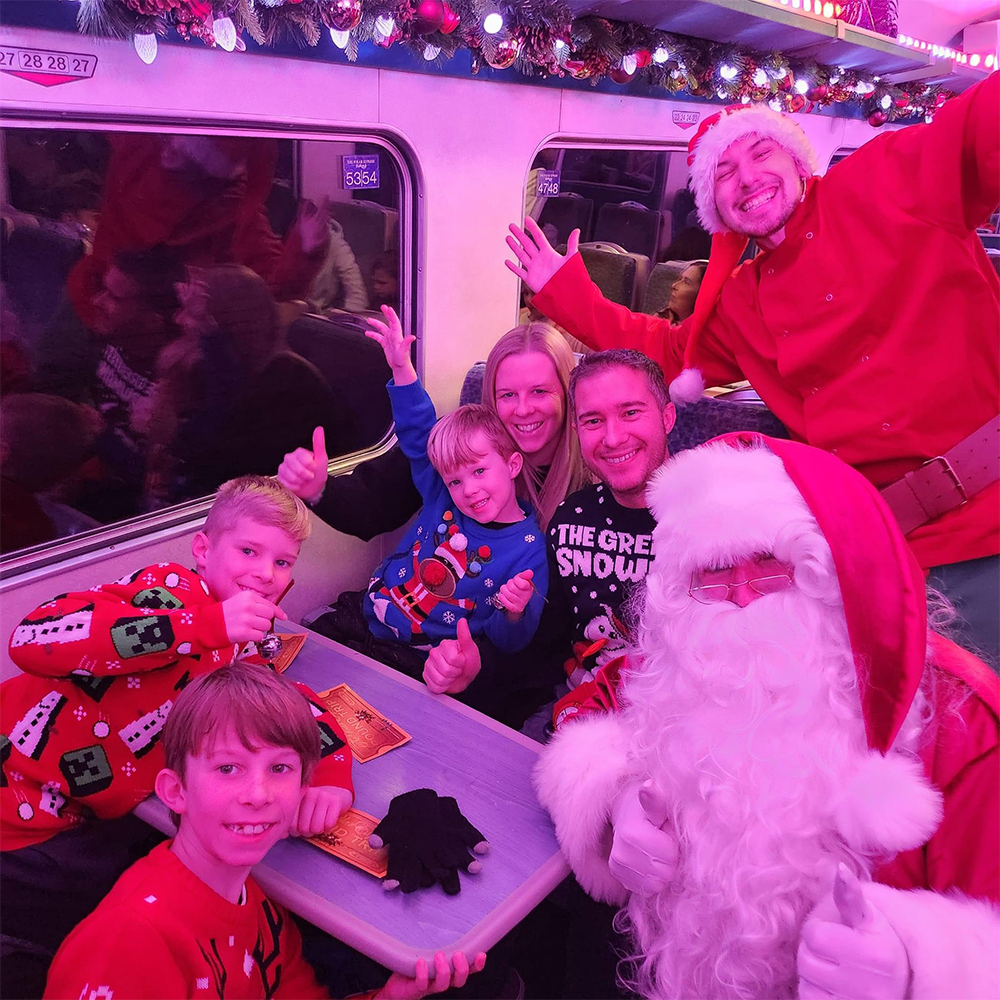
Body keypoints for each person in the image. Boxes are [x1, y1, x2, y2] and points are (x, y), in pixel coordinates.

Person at [506, 73, 1000, 664]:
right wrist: (565, 291)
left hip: (989, 522)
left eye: (760, 153)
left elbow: (978, 130)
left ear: (797, 160)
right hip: (876, 551)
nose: (747, 179)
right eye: (723, 174)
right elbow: (667, 352)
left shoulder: (886, 177)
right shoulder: (743, 299)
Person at [534, 434, 999, 1000]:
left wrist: (922, 966)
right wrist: (611, 804)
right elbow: (583, 716)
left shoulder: (962, 725)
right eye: (714, 572)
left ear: (831, 571)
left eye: (772, 566)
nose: (742, 596)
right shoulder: (675, 666)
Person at [0, 475, 352, 998]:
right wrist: (204, 624)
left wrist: (330, 777)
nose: (265, 573)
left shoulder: (241, 651)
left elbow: (293, 705)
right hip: (17, 810)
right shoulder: (168, 592)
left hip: (79, 816)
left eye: (282, 563)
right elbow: (31, 637)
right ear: (204, 550)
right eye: (249, 550)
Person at [43, 664, 486, 1000]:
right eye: (228, 767)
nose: (257, 794)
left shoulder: (260, 911)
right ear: (175, 791)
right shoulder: (128, 944)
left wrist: (388, 997)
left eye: (278, 768)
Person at [422, 349, 675, 718]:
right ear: (576, 429)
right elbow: (544, 647)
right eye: (592, 421)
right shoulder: (573, 518)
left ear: (667, 416)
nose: (613, 437)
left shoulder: (715, 522)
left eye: (631, 413)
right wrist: (476, 669)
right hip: (576, 709)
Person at [304, 307, 548, 683]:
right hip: (366, 613)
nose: (468, 490)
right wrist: (402, 370)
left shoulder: (530, 547)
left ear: (513, 465)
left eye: (480, 472)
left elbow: (508, 642)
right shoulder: (442, 497)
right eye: (456, 481)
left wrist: (515, 611)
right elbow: (419, 437)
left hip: (419, 656)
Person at [278, 321, 588, 541]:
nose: (522, 409)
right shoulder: (463, 452)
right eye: (507, 394)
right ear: (491, 397)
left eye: (539, 392)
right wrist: (318, 490)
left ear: (567, 393)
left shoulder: (589, 482)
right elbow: (376, 504)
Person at [66, 133, 330, 332]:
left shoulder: (230, 210)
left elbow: (265, 292)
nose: (169, 150)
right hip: (94, 293)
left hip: (155, 331)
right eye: (169, 140)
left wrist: (306, 251)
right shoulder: (141, 149)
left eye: (183, 152)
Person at [143, 264, 336, 509]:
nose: (178, 319)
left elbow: (223, 472)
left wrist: (171, 423)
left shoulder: (288, 384)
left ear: (228, 320)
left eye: (193, 313)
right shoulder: (218, 372)